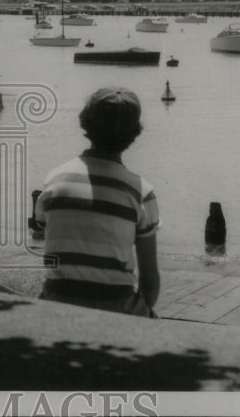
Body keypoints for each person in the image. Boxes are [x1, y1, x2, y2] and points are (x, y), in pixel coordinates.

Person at [33, 86, 160, 317]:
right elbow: (150, 283)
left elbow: (43, 226)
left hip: (56, 306)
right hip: (118, 310)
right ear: (134, 134)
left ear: (86, 124)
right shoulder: (141, 193)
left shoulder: (54, 180)